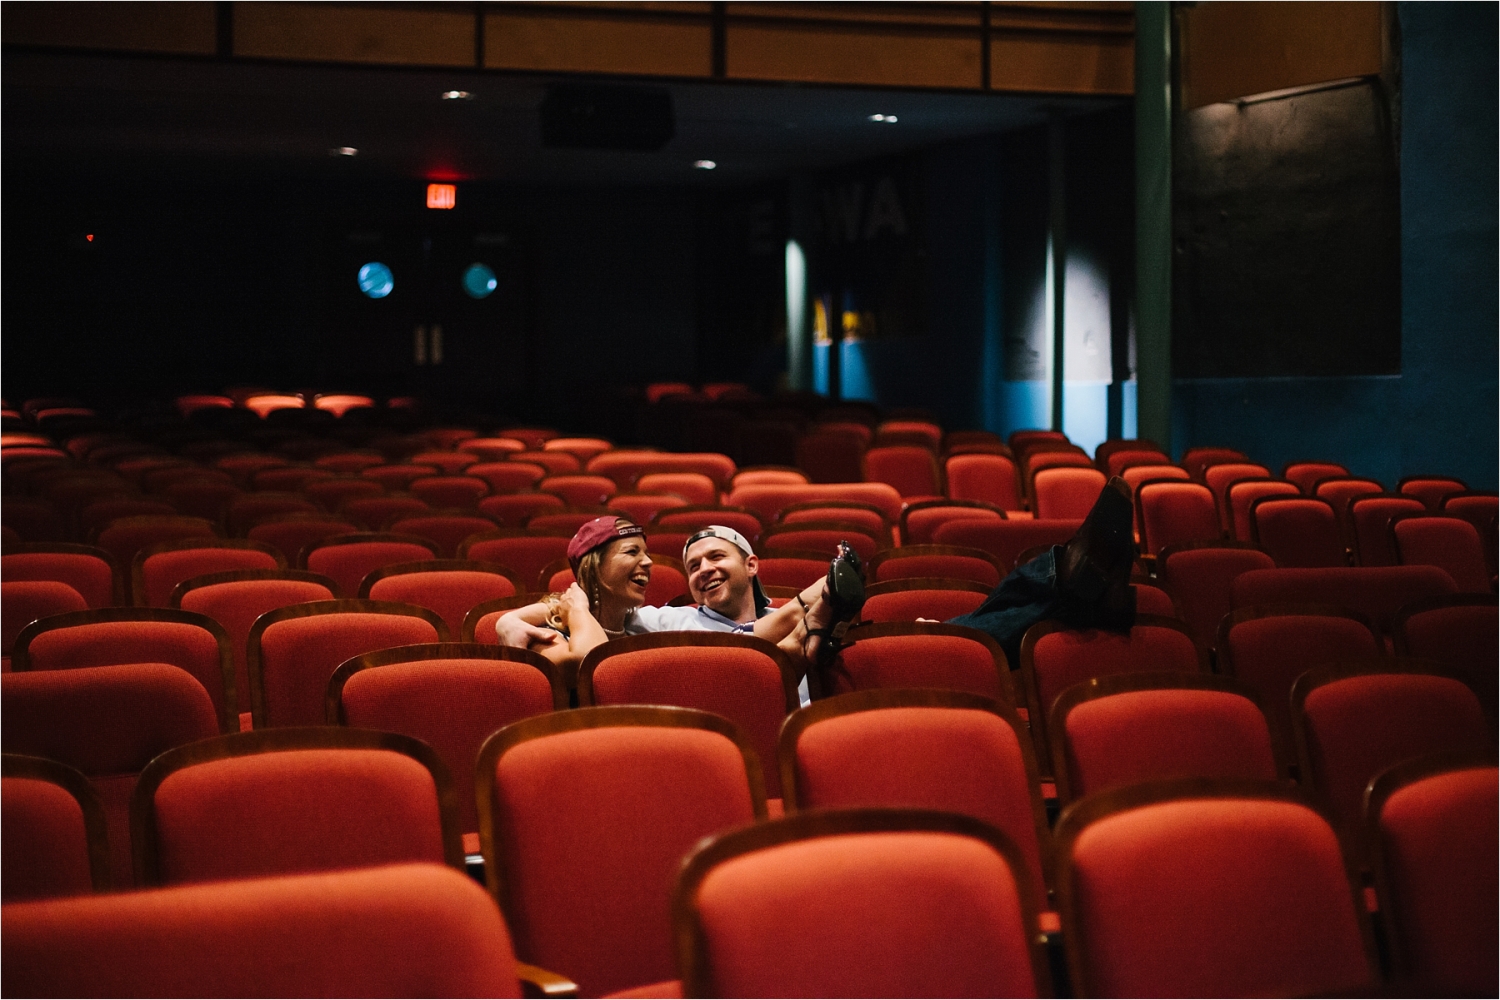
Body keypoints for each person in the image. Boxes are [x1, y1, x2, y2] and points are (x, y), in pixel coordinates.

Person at [494, 517, 856, 699]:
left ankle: (815, 618)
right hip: (612, 745)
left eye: (647, 553)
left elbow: (755, 635)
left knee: (746, 659)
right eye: (632, 553)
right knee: (740, 667)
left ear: (751, 565)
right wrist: (571, 610)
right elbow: (592, 663)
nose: (649, 563)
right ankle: (813, 621)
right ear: (594, 566)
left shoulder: (631, 620)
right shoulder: (559, 630)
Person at [944, 476, 1139, 669]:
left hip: (940, 640)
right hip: (936, 648)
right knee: (1042, 596)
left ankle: (1068, 576)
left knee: (1028, 600)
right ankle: (1070, 576)